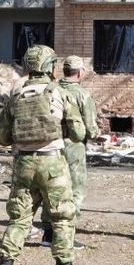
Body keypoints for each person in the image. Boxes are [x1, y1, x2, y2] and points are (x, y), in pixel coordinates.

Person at [0, 45, 88, 265]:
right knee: (62, 220)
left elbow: (2, 138)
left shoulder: (15, 93)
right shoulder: (58, 91)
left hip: (23, 164)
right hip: (53, 165)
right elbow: (79, 134)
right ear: (49, 66)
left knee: (19, 221)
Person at [35, 55, 100, 248]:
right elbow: (90, 128)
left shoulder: (50, 89)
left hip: (50, 145)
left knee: (51, 188)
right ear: (80, 72)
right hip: (73, 146)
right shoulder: (82, 94)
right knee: (74, 191)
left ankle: (48, 233)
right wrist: (96, 133)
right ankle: (65, 235)